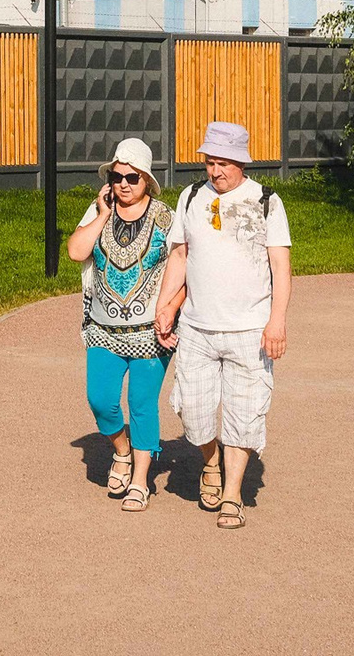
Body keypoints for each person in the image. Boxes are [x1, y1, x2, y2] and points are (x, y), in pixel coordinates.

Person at [155, 121, 290, 530]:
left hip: (250, 330)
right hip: (197, 328)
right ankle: (209, 462)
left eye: (223, 163)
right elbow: (179, 256)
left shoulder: (266, 201)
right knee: (194, 413)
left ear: (241, 162)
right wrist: (165, 305)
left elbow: (280, 267)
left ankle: (232, 494)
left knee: (244, 415)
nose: (215, 171)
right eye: (210, 162)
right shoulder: (191, 197)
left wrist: (277, 320)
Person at [64, 136, 175, 511]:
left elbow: (183, 267)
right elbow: (76, 251)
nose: (123, 184)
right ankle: (122, 451)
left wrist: (171, 310)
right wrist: (102, 215)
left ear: (146, 179)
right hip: (102, 329)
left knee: (142, 405)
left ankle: (140, 482)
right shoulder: (99, 211)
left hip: (150, 332)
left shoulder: (164, 217)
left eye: (131, 177)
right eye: (116, 176)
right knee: (101, 401)